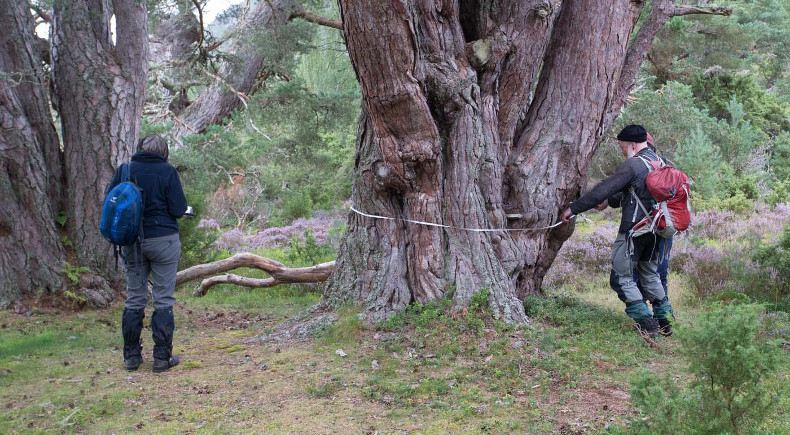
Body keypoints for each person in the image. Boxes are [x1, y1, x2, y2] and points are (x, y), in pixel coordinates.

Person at [560, 125, 673, 338]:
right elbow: (634, 192)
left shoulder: (634, 165)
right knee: (649, 274)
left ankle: (647, 325)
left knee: (620, 278)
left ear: (631, 144)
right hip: (658, 231)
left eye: (622, 146)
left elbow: (603, 189)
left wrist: (572, 209)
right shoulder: (662, 163)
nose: (622, 151)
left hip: (634, 231)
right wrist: (610, 202)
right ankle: (665, 321)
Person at [106, 135, 188, 372]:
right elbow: (178, 209)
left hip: (132, 241)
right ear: (164, 152)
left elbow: (110, 202)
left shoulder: (125, 170)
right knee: (163, 299)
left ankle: (131, 357)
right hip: (164, 240)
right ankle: (162, 358)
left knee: (135, 298)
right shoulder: (168, 172)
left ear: (140, 149)